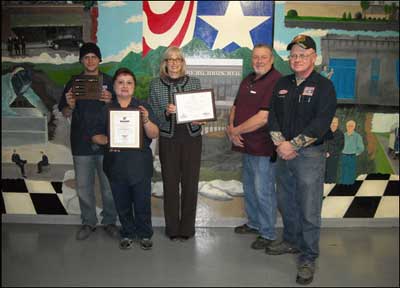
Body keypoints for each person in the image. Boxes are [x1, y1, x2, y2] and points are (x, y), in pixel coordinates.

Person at [267, 35, 337, 285]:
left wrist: (292, 145)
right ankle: (291, 241)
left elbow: (321, 123)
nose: (297, 59)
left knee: (309, 209)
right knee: (286, 202)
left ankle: (308, 257)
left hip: (310, 155)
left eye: (303, 55)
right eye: (294, 55)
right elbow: (272, 115)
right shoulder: (282, 83)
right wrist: (280, 144)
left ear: (314, 58)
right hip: (283, 153)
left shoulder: (324, 86)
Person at [90, 68, 159, 250]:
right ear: (114, 86)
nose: (125, 86)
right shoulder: (106, 109)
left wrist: (145, 120)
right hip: (116, 165)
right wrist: (108, 139)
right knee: (122, 204)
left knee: (142, 203)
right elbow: (95, 136)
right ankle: (127, 232)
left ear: (134, 86)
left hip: (140, 166)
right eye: (120, 82)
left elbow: (154, 132)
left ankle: (145, 234)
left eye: (129, 82)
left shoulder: (143, 108)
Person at [58, 42, 118, 241]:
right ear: (81, 60)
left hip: (106, 142)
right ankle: (88, 222)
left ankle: (110, 221)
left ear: (99, 59)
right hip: (80, 143)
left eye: (94, 56)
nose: (90, 60)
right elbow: (64, 111)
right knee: (83, 187)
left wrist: (111, 101)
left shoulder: (110, 82)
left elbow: (122, 111)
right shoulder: (73, 83)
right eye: (86, 57)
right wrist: (70, 105)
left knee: (108, 187)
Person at [226, 44, 282, 250]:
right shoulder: (248, 78)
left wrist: (236, 131)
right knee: (249, 188)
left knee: (263, 190)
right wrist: (231, 129)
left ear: (272, 59)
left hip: (264, 147)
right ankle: (254, 223)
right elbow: (235, 106)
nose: (259, 61)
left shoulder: (276, 81)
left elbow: (262, 118)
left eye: (263, 57)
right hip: (246, 145)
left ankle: (267, 233)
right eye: (255, 57)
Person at [149, 46, 204, 242]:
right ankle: (172, 228)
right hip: (168, 138)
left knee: (190, 184)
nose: (174, 63)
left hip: (191, 138)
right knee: (170, 184)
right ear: (165, 63)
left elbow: (202, 111)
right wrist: (166, 112)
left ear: (182, 63)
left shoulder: (195, 82)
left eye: (178, 59)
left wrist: (201, 119)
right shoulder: (155, 85)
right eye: (170, 59)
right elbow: (153, 113)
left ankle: (187, 228)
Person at [340, 120, 364, 185]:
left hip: (352, 157)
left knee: (351, 173)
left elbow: (361, 148)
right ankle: (342, 189)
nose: (350, 127)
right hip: (343, 156)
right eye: (348, 126)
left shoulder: (357, 136)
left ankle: (350, 190)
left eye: (351, 126)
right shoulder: (343, 136)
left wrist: (356, 153)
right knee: (343, 173)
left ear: (354, 127)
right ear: (346, 126)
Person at [324, 117, 344, 183]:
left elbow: (340, 146)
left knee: (331, 176)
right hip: (323, 157)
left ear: (338, 123)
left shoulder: (340, 134)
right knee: (323, 176)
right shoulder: (325, 132)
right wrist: (324, 152)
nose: (333, 124)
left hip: (333, 158)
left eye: (335, 122)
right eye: (332, 122)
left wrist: (329, 153)